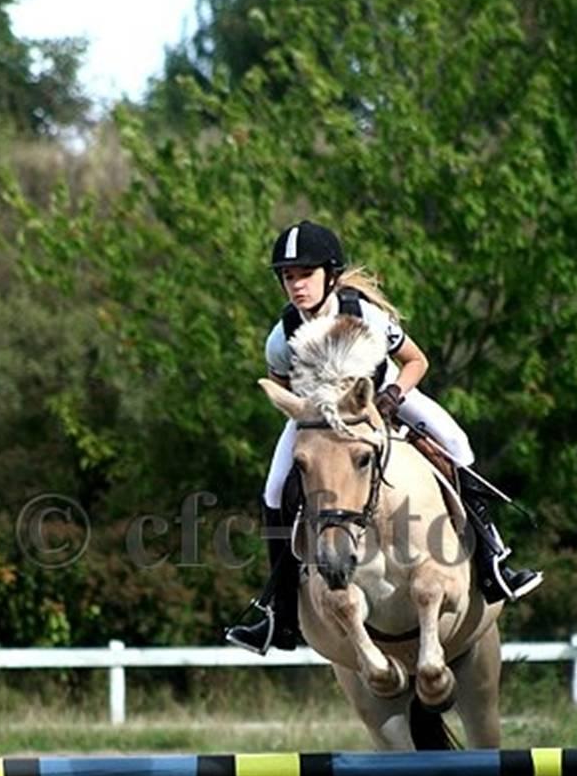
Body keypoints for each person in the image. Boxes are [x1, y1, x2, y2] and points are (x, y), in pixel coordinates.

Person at [225, 220, 542, 655]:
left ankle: (493, 562)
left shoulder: (366, 315)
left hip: (386, 393)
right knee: (275, 490)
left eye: (305, 274)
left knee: (457, 441)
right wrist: (313, 418)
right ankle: (278, 612)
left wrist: (392, 396)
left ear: (330, 275)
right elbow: (281, 385)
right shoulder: (282, 335)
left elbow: (416, 361)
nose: (296, 285)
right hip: (319, 416)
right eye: (288, 276)